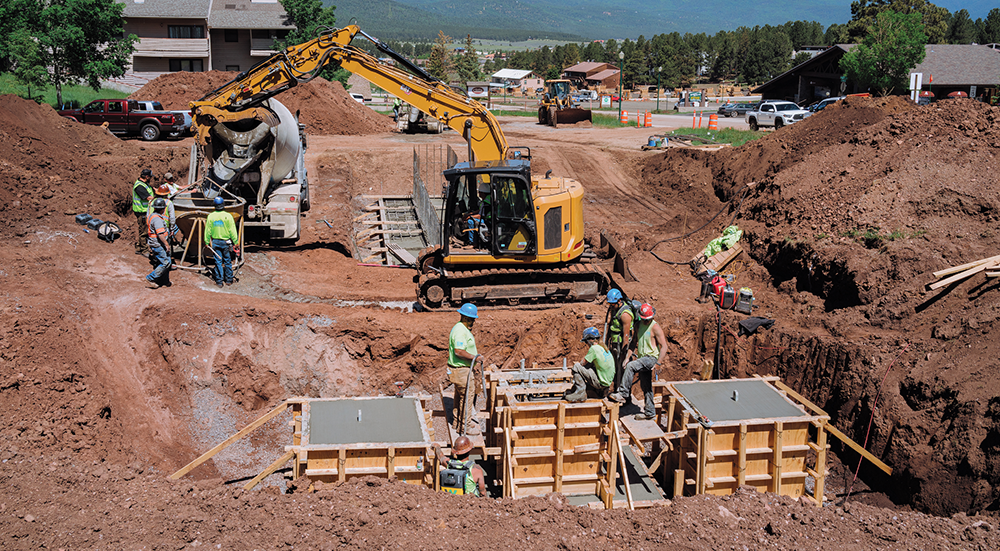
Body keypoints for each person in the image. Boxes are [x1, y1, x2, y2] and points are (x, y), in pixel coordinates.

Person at [608, 303, 669, 420]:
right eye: (644, 320)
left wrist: (658, 363)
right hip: (642, 358)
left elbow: (664, 346)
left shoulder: (655, 327)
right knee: (646, 386)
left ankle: (623, 393)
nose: (646, 322)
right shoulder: (637, 325)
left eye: (648, 320)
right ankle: (650, 412)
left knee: (631, 366)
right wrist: (627, 357)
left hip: (651, 358)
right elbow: (633, 342)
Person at [448, 303, 484, 435]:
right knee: (468, 397)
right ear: (465, 317)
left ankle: (458, 423)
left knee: (460, 396)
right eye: (472, 319)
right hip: (462, 370)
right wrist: (475, 358)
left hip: (460, 370)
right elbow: (458, 351)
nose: (473, 322)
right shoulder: (460, 331)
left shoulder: (460, 328)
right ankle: (465, 427)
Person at [564, 327, 614, 402]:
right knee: (590, 366)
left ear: (590, 339)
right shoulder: (603, 348)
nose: (586, 344)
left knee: (576, 367)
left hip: (601, 383)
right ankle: (585, 390)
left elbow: (582, 363)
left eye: (586, 342)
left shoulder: (593, 348)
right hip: (607, 382)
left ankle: (580, 393)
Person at [204, 196, 239, 287]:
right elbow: (232, 230)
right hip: (226, 242)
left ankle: (219, 282)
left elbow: (207, 230)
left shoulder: (211, 216)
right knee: (227, 261)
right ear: (223, 205)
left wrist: (207, 241)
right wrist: (236, 242)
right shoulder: (228, 216)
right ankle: (229, 280)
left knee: (218, 261)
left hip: (215, 242)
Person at [604, 289, 634, 389]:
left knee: (622, 368)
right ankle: (616, 387)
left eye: (612, 304)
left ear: (619, 301)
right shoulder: (614, 309)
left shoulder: (625, 314)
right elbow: (610, 326)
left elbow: (626, 335)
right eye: (609, 304)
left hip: (622, 345)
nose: (610, 306)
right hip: (614, 343)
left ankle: (623, 391)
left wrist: (624, 352)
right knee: (615, 367)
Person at [146, 198, 172, 288]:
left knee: (166, 261)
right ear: (162, 209)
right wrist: (167, 244)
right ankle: (151, 277)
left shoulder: (152, 215)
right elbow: (160, 234)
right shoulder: (157, 219)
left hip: (157, 243)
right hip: (158, 244)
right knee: (165, 262)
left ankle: (164, 281)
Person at [131, 168, 154, 255]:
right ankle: (144, 250)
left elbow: (152, 190)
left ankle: (138, 247)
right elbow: (148, 197)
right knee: (144, 231)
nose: (151, 178)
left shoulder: (145, 184)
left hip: (145, 211)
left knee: (143, 229)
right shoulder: (139, 186)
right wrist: (159, 199)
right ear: (147, 177)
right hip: (141, 212)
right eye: (150, 177)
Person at [466, 180, 492, 247]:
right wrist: (471, 213)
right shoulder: (488, 198)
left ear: (483, 193)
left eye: (479, 192)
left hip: (488, 221)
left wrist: (470, 217)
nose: (479, 194)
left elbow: (480, 216)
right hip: (489, 219)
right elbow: (480, 210)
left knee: (470, 222)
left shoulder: (486, 201)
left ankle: (473, 243)